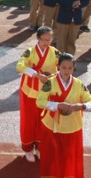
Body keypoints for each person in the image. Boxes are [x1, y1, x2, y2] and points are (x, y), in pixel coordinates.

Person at [36, 53, 91, 178]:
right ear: (58, 67)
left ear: (74, 68)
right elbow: (40, 101)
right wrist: (57, 105)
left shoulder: (79, 84)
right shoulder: (50, 83)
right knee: (51, 158)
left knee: (69, 158)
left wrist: (81, 106)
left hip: (72, 128)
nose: (66, 71)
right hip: (52, 127)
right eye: (63, 67)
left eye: (70, 68)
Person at [15, 26, 59, 163]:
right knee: (29, 121)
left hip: (46, 92)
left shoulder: (55, 53)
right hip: (30, 91)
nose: (47, 42)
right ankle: (28, 148)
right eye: (44, 39)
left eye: (49, 39)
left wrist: (54, 75)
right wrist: (36, 75)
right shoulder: (30, 52)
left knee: (44, 121)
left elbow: (63, 67)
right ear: (38, 39)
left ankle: (41, 146)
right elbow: (19, 66)